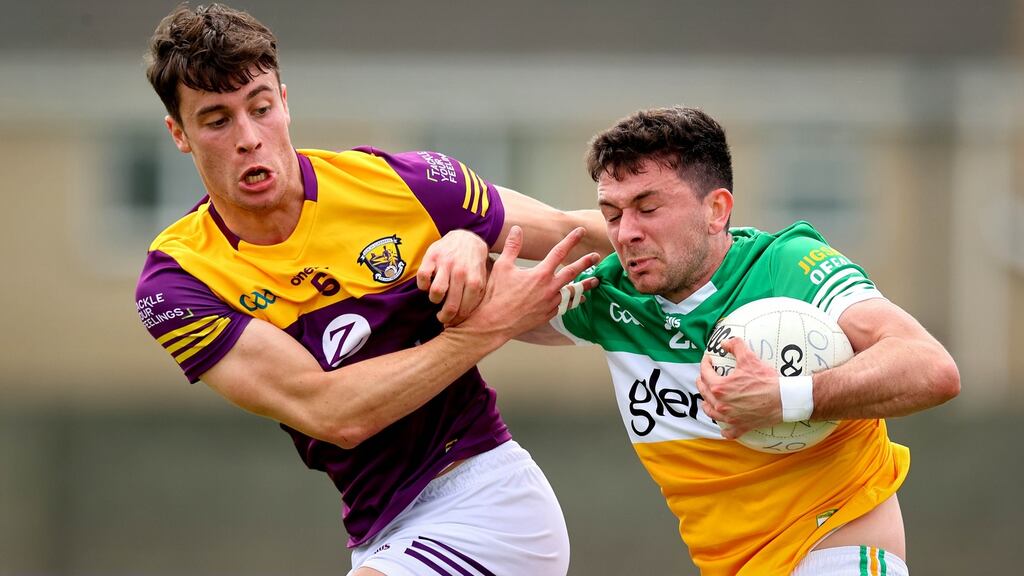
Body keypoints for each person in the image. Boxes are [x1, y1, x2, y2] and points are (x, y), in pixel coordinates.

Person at [134, 4, 608, 575]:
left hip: (488, 502)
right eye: (217, 121)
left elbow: (576, 235)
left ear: (285, 101)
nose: (249, 138)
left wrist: (724, 248)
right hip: (381, 530)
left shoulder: (402, 185)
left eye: (260, 108)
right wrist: (489, 324)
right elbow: (334, 412)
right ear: (179, 134)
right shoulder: (179, 279)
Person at [525, 106, 960, 575]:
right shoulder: (611, 293)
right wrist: (463, 242)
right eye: (611, 214)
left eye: (649, 209)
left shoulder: (786, 267)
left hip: (833, 552)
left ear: (716, 210)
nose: (626, 232)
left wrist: (786, 397)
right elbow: (480, 286)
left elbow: (931, 368)